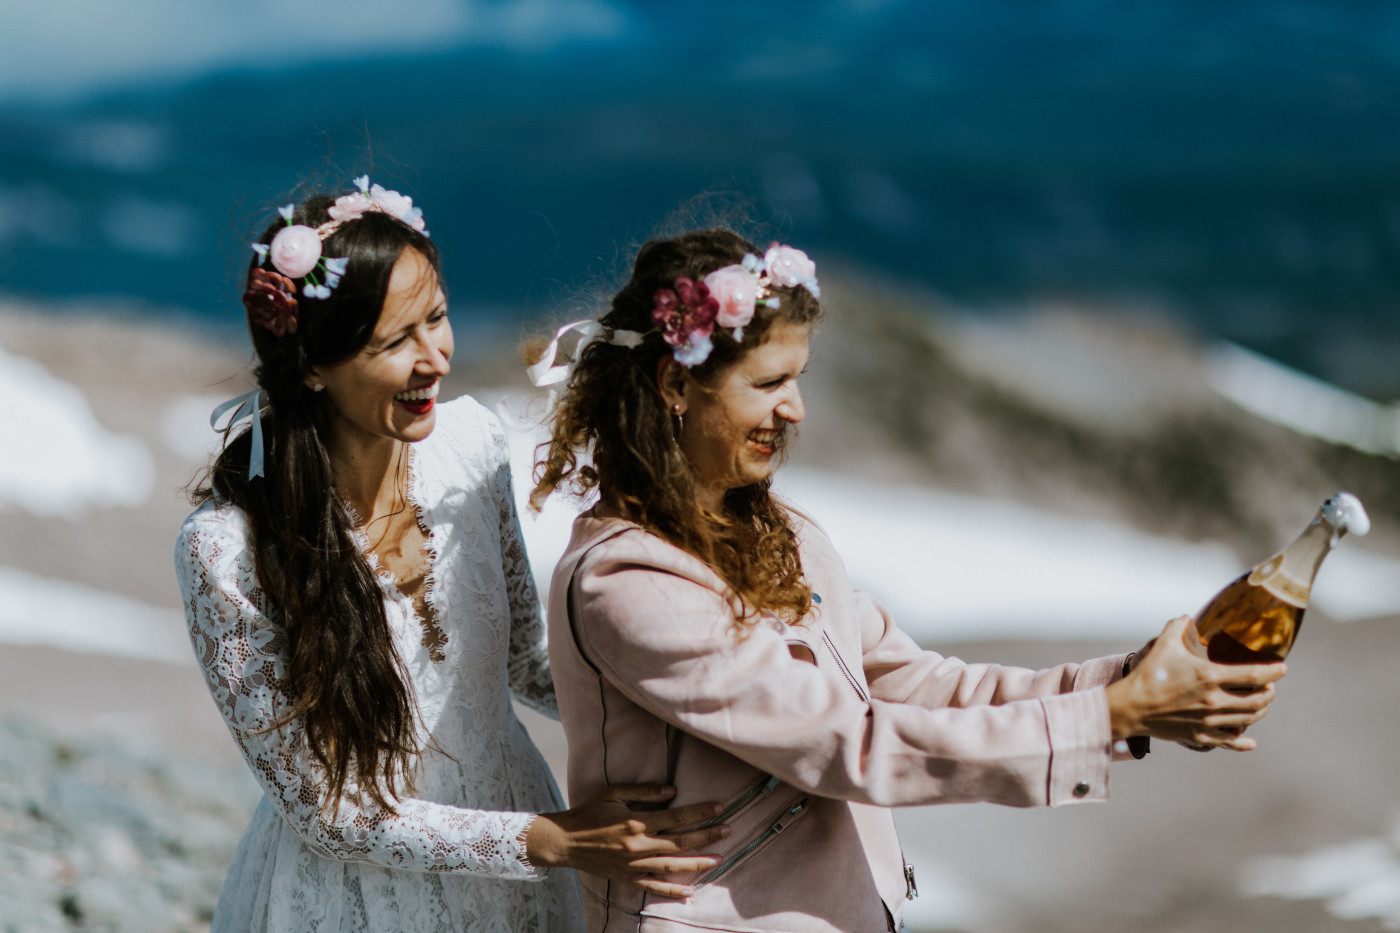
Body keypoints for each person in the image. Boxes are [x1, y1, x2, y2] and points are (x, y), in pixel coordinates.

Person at [528, 229, 1286, 933]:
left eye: (798, 377)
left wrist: (1126, 686)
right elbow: (845, 743)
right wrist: (1110, 717)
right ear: (673, 383)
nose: (794, 407)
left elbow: (917, 684)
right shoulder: (625, 581)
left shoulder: (780, 532)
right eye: (767, 383)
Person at [174, 181, 727, 933]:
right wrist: (550, 838)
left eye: (437, 317)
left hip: (527, 869)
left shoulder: (471, 443)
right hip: (361, 901)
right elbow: (329, 813)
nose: (434, 356)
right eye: (394, 341)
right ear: (310, 365)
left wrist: (700, 718)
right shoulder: (225, 549)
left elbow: (527, 661)